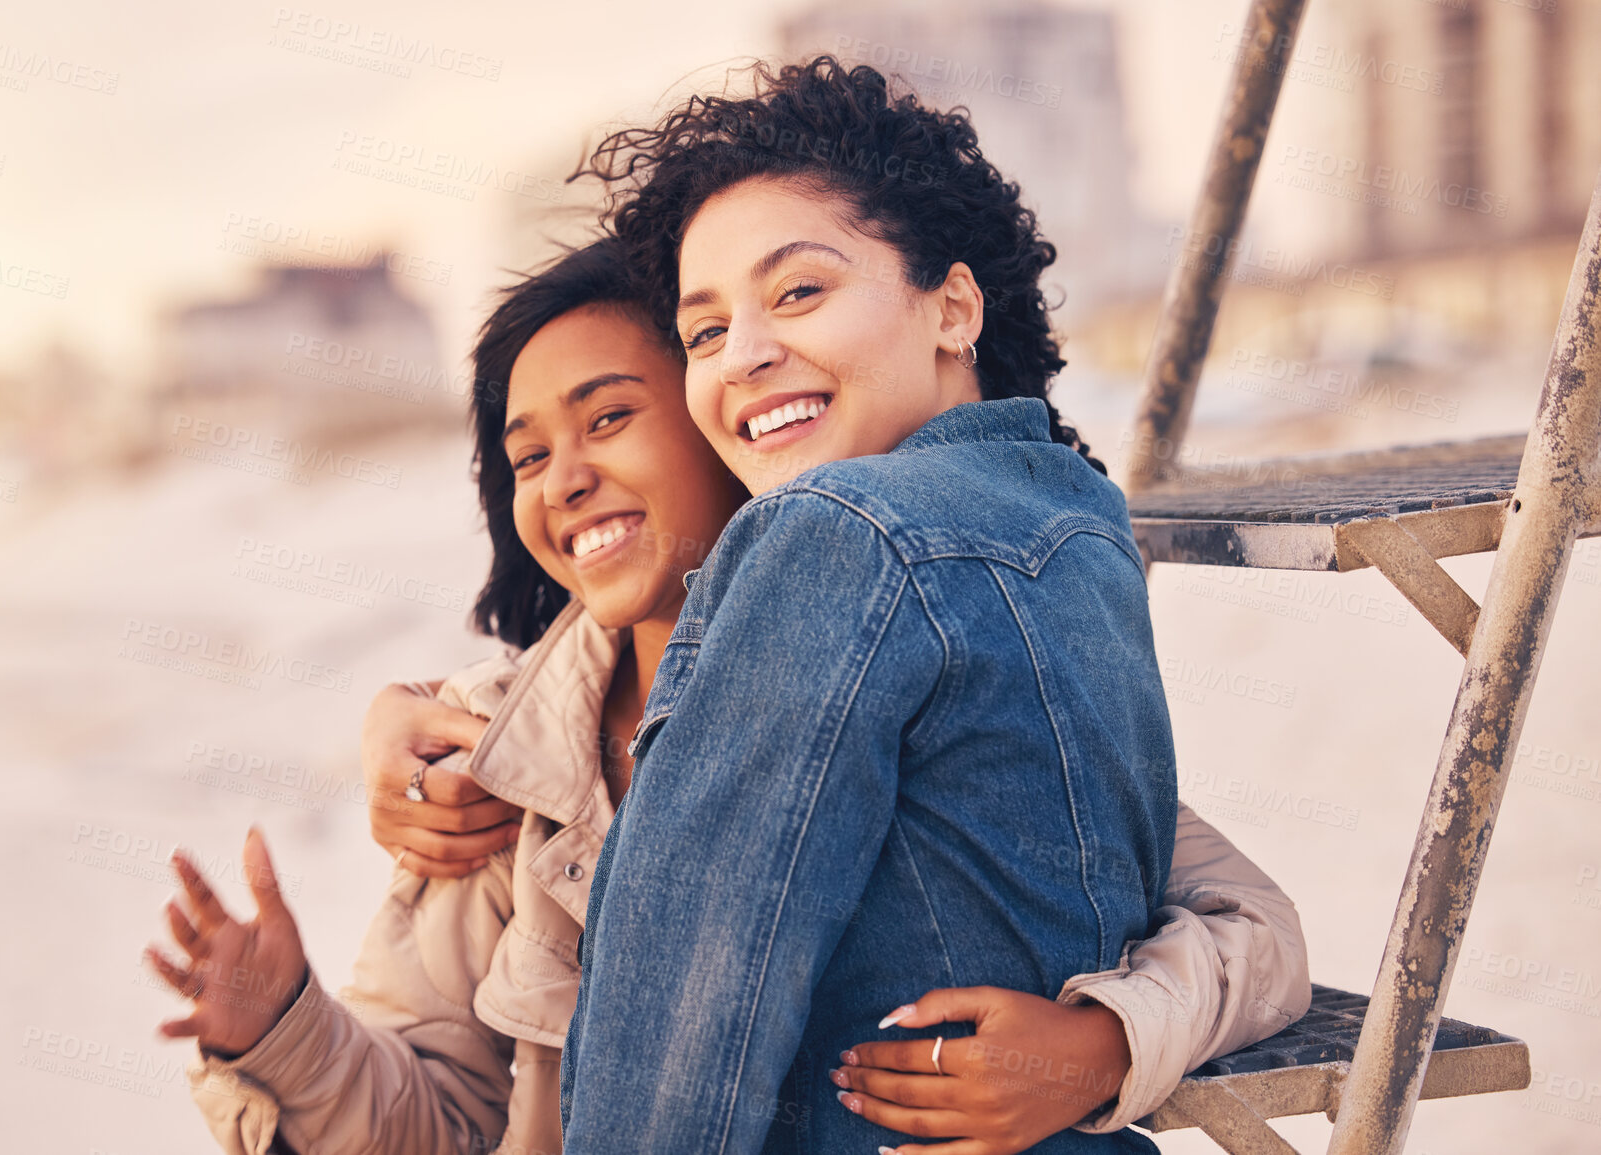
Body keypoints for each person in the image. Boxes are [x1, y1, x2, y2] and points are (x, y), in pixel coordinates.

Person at [150, 181, 1304, 1155]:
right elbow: (446, 1117)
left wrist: (1098, 1048)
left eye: (609, 419)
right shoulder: (491, 760)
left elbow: (1250, 925)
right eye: (528, 457)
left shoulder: (904, 659)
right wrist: (280, 1027)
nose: (563, 481)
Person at [551, 57, 1247, 1153]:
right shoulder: (1081, 525)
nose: (745, 356)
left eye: (798, 292)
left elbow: (691, 994)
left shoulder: (835, 533)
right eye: (703, 332)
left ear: (954, 305)